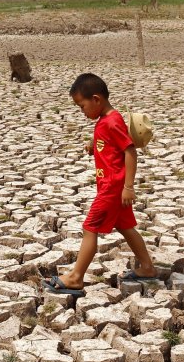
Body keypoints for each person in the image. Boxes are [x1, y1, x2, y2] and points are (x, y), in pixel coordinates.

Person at [44, 73, 157, 295]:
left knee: (89, 228)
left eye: (82, 105)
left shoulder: (112, 121)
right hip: (112, 187)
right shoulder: (105, 121)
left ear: (96, 99)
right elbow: (110, 145)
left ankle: (76, 278)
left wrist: (128, 187)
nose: (82, 111)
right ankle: (147, 267)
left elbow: (130, 152)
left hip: (112, 188)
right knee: (125, 227)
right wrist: (93, 146)